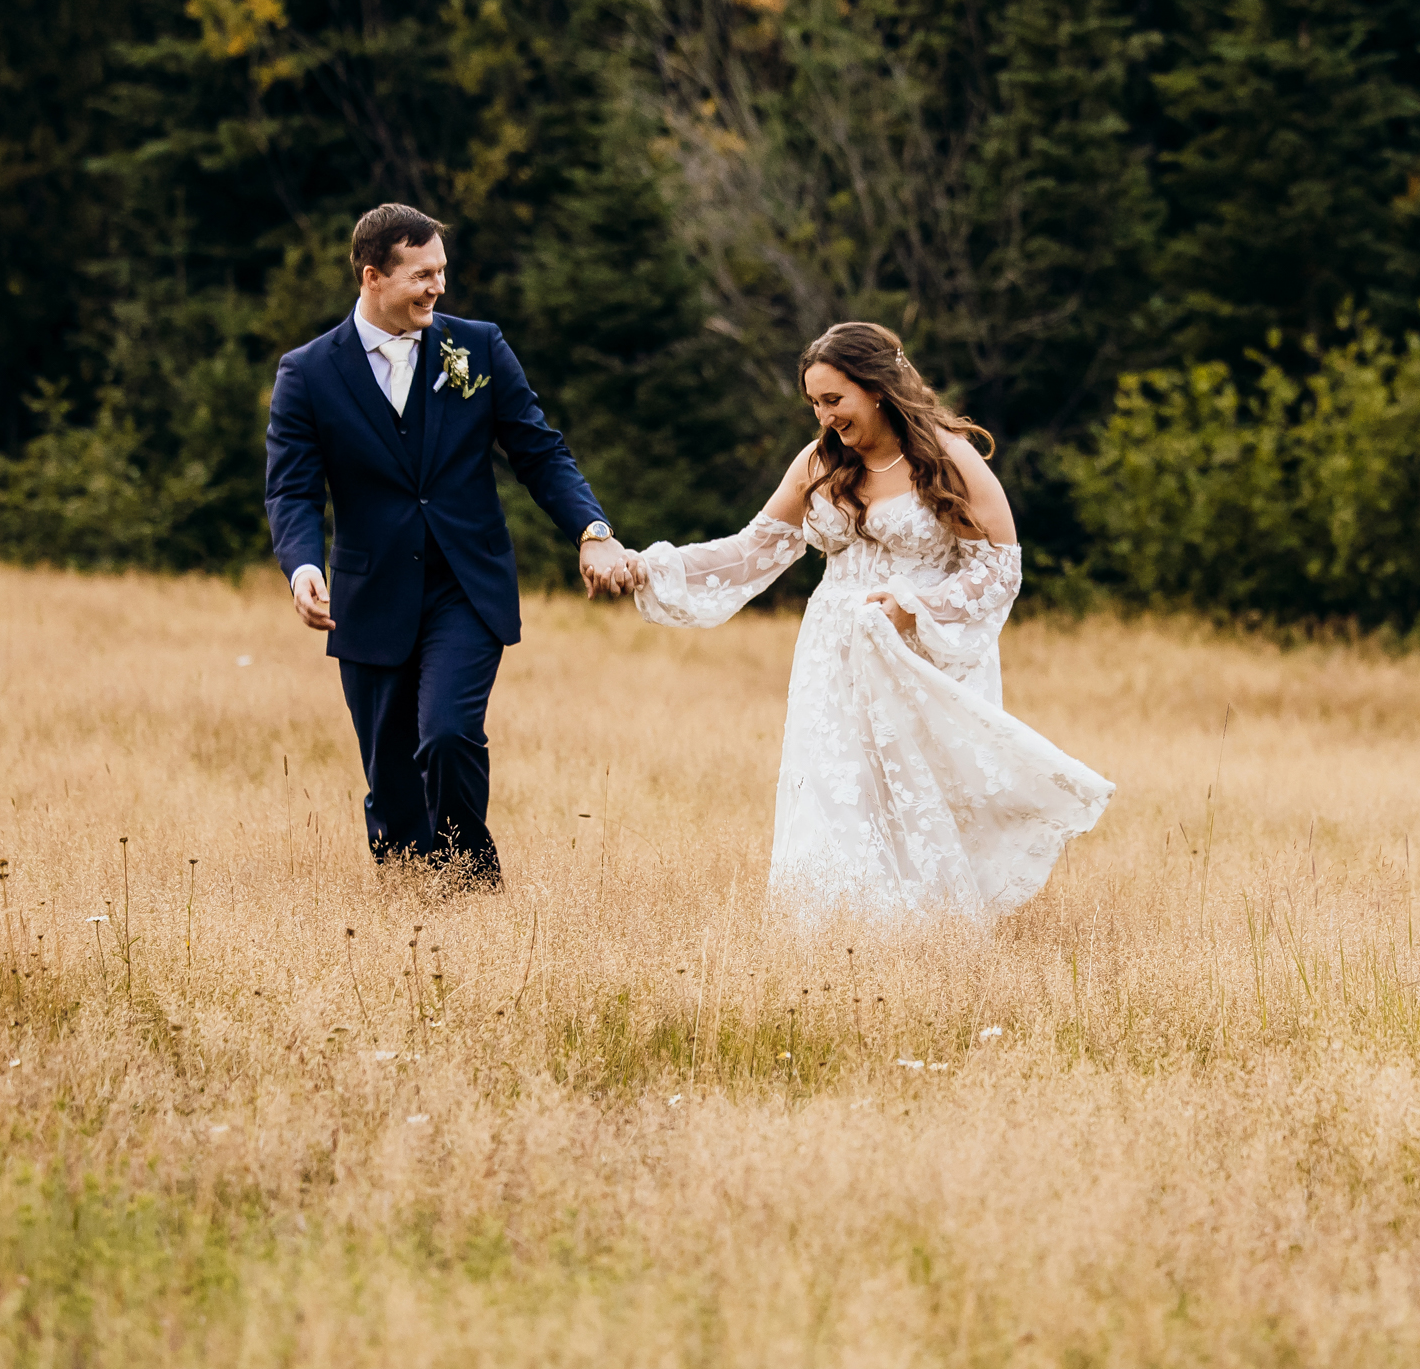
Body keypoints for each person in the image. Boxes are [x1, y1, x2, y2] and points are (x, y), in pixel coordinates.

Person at [627, 321, 1112, 918]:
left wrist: (917, 608)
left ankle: (931, 937)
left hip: (917, 653)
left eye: (834, 400)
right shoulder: (819, 463)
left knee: (917, 797)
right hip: (832, 654)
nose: (824, 417)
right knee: (838, 789)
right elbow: (752, 551)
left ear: (878, 387)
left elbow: (999, 568)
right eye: (814, 403)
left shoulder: (945, 457)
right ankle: (837, 936)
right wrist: (647, 567)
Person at [265, 204, 638, 886]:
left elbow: (539, 451)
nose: (439, 287)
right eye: (423, 274)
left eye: (442, 271)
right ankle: (410, 896)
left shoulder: (479, 346)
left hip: (466, 585)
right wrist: (303, 566)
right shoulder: (308, 372)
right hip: (370, 594)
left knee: (446, 733)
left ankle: (470, 881)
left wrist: (593, 531)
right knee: (392, 773)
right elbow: (291, 490)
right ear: (374, 276)